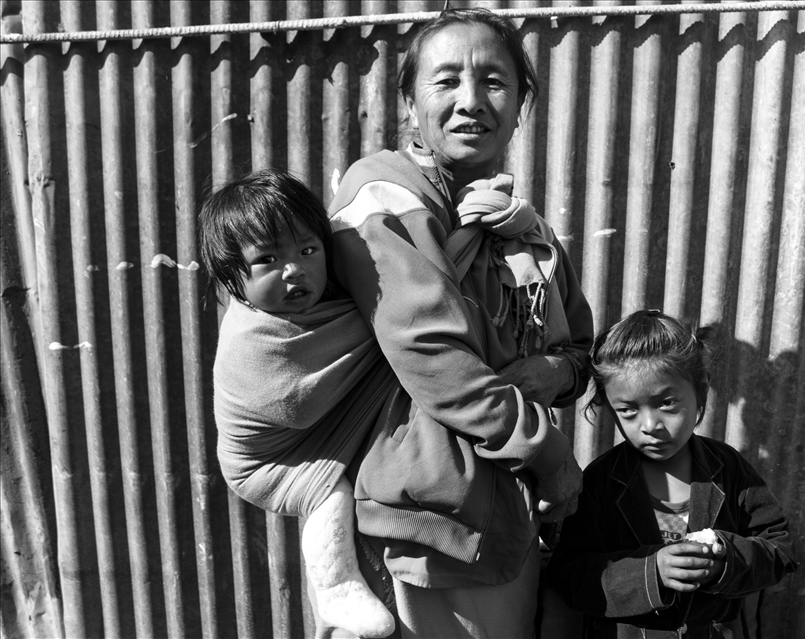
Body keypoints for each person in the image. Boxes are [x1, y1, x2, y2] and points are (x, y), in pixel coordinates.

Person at [326, 8, 594, 637]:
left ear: (522, 103)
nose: (471, 101)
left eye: (495, 81)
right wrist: (550, 453)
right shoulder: (384, 198)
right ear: (410, 104)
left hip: (510, 512)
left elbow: (582, 349)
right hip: (426, 524)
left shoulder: (525, 229)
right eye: (445, 82)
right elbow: (435, 359)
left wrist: (550, 371)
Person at [200, 169, 397, 638]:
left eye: (308, 251)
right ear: (232, 278)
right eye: (268, 259)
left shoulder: (331, 304)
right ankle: (335, 587)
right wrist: (385, 333)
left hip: (313, 443)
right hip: (265, 461)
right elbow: (295, 404)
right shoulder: (251, 338)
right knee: (329, 494)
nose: (295, 270)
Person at [546, 310, 798, 638]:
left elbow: (780, 550)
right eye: (628, 410)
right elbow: (570, 576)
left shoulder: (728, 469)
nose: (650, 426)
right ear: (610, 408)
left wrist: (726, 560)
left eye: (666, 403)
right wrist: (651, 572)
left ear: (701, 392)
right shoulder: (600, 481)